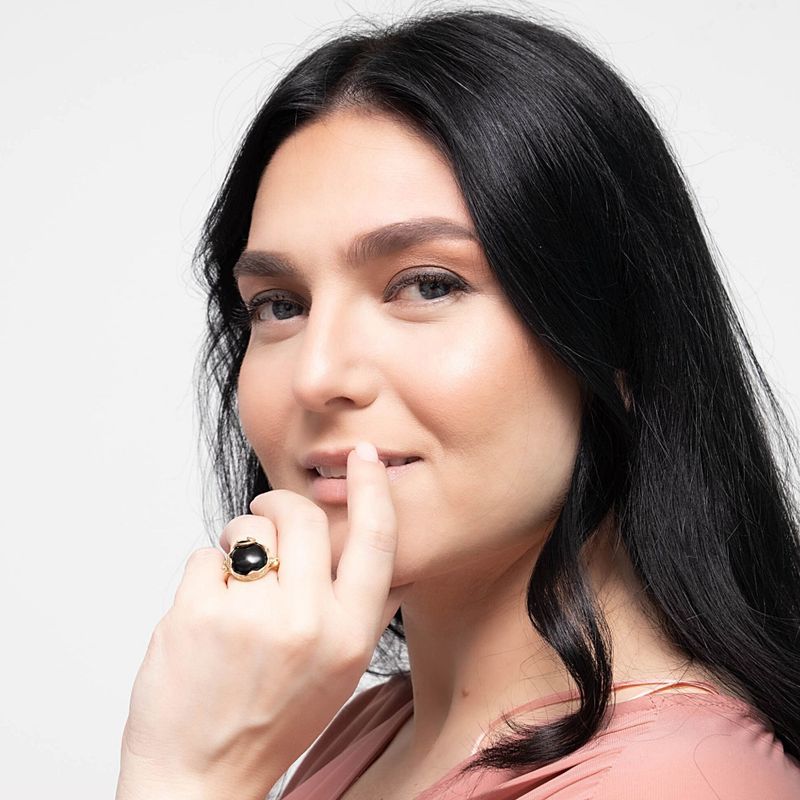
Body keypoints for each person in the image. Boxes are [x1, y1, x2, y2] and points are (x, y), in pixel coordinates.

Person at [115, 7, 800, 800]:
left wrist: (188, 775)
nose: (316, 374)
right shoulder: (376, 726)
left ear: (618, 340)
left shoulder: (678, 782)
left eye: (427, 285)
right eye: (280, 304)